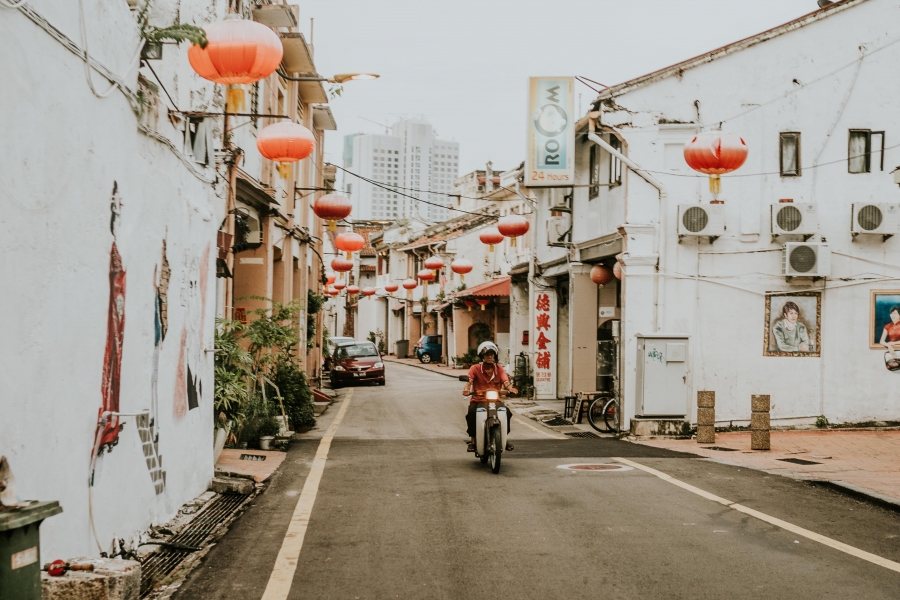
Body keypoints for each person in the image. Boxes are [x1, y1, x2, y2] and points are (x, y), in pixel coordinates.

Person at [463, 341, 517, 452]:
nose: (490, 356)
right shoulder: (475, 368)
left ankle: (503, 439)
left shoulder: (499, 368)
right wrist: (467, 388)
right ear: (482, 356)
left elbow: (505, 380)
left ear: (495, 356)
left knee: (507, 413)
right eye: (487, 354)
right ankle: (473, 441)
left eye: (492, 354)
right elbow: (470, 380)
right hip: (478, 400)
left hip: (495, 400)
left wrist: (510, 388)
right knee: (472, 413)